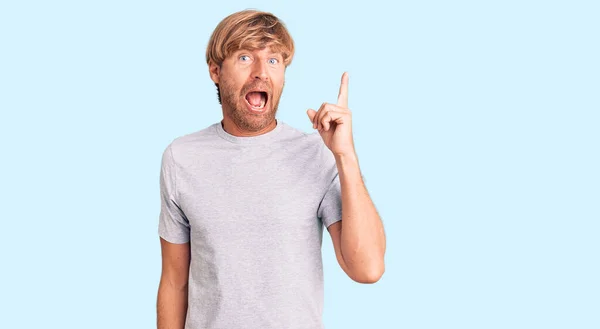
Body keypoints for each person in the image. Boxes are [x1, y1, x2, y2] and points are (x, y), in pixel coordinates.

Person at [156, 9, 386, 329]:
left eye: (274, 60)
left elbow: (368, 268)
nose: (262, 72)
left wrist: (345, 155)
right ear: (215, 71)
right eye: (246, 58)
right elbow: (174, 282)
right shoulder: (181, 158)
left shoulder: (317, 154)